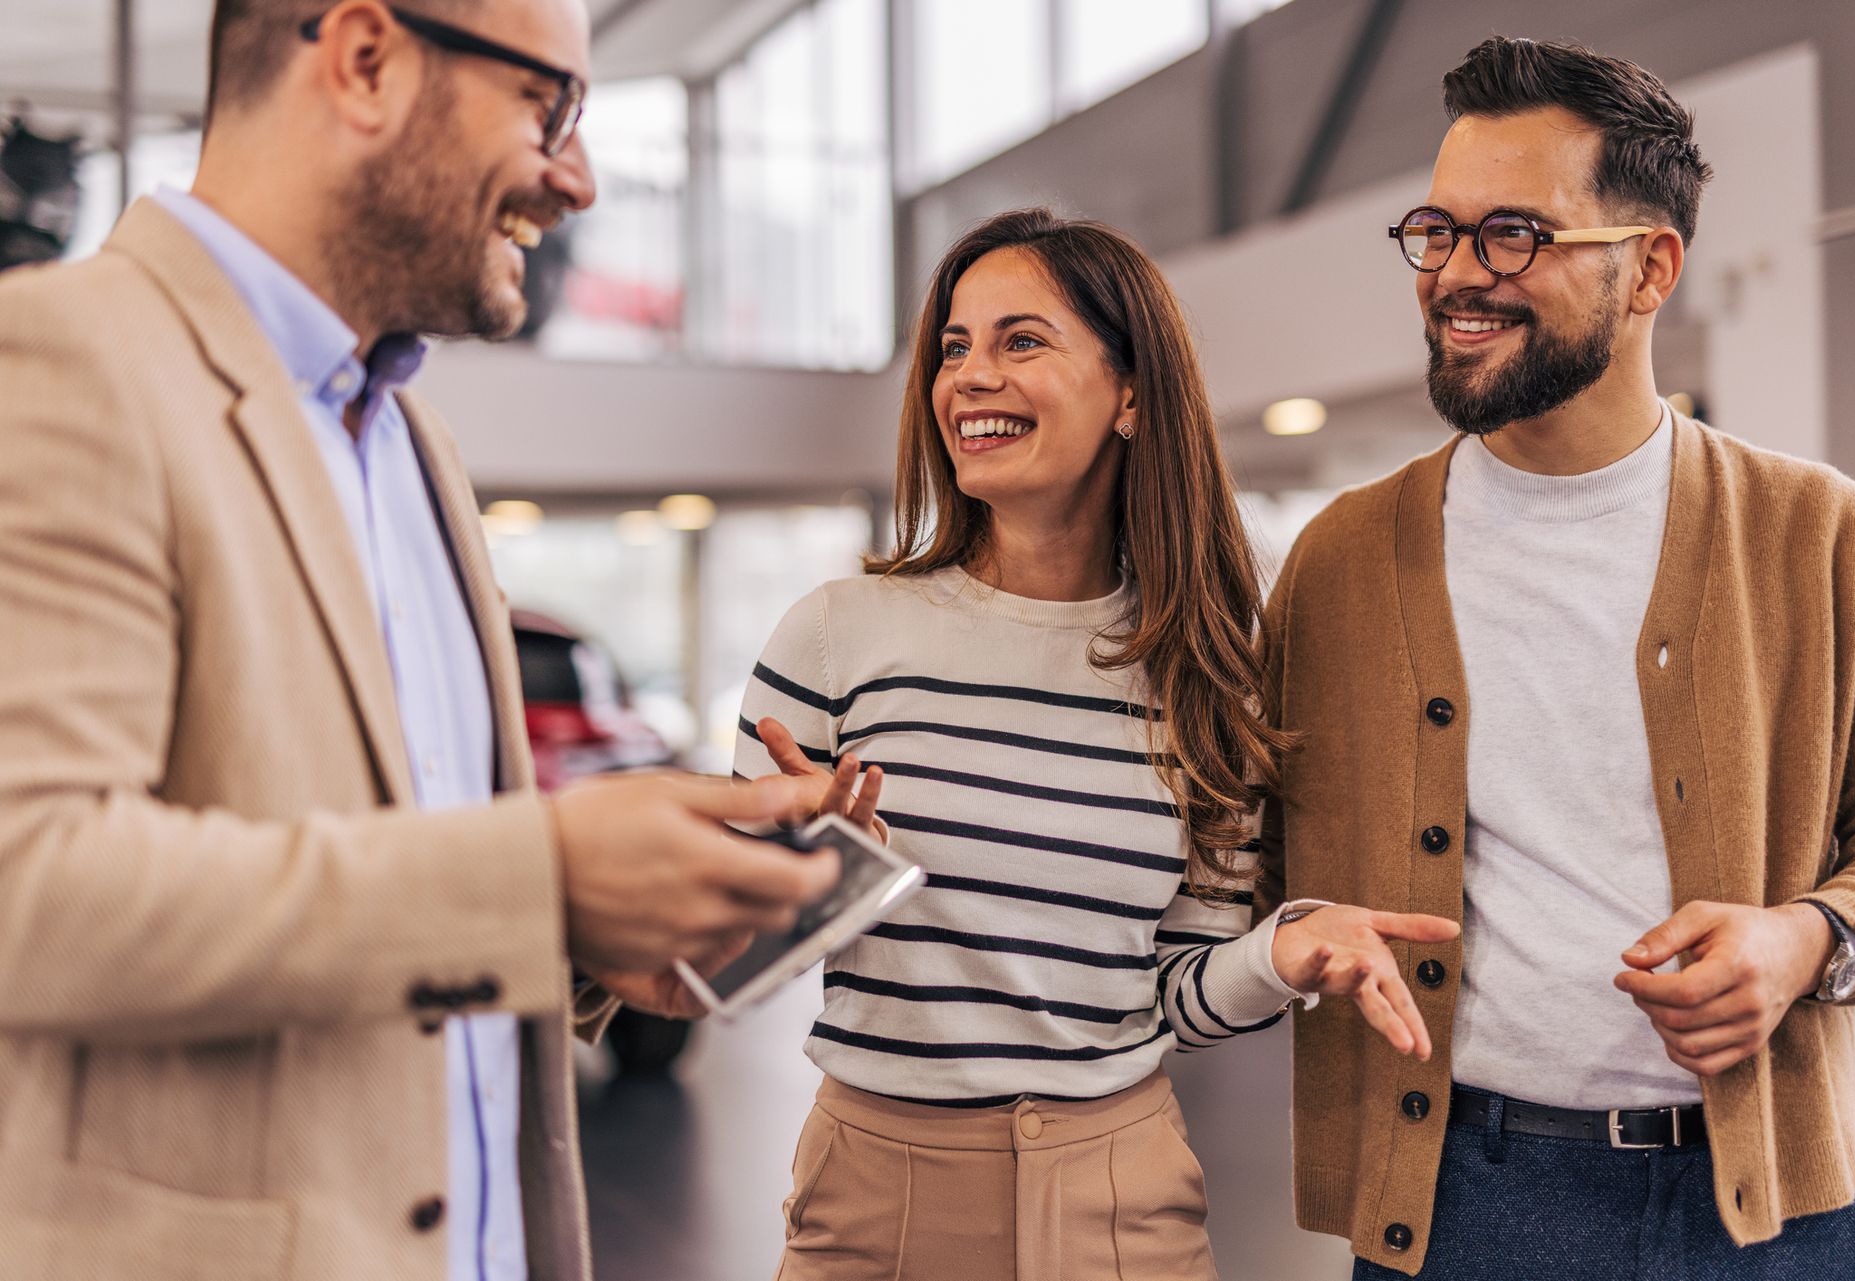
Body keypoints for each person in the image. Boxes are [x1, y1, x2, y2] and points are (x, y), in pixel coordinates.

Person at [0, 2, 837, 1277]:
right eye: (547, 107)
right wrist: (541, 874)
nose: (580, 178)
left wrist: (588, 938)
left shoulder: (413, 445)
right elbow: (31, 888)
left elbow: (389, 889)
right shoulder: (57, 362)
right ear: (367, 59)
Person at [1258, 35, 1855, 1280]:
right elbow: (1228, 849)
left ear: (1652, 266)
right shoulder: (1340, 563)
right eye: (1437, 231)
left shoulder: (1832, 541)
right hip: (1455, 1206)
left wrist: (1809, 941)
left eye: (1514, 233)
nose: (1458, 274)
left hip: (1768, 1214)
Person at [737, 207, 1460, 1281]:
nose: (970, 376)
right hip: (877, 1198)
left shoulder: (1204, 672)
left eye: (1020, 341)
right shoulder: (836, 636)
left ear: (1131, 393)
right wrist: (812, 871)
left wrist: (1281, 955)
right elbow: (731, 952)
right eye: (953, 347)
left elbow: (1168, 990)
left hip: (1123, 1200)